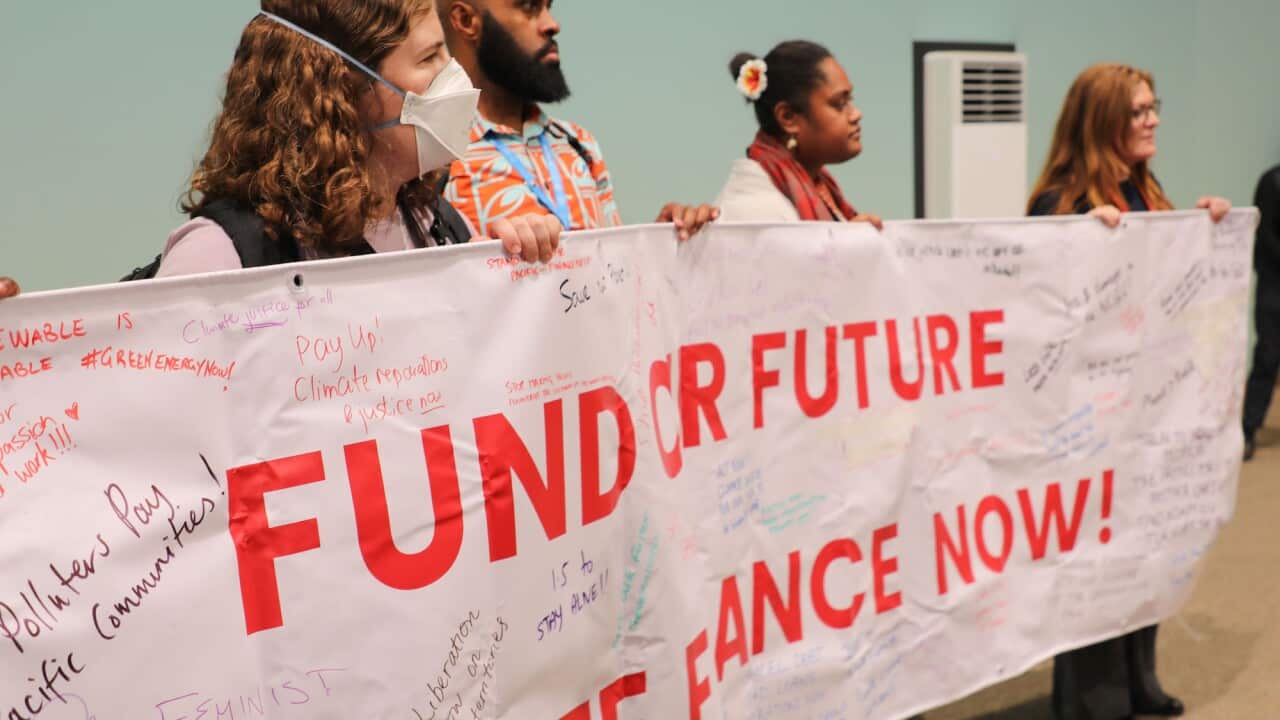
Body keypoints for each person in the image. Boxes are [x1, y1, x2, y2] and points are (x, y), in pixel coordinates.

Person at [1028, 62, 1230, 720]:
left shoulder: (1146, 190)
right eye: (1139, 111)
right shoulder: (1061, 204)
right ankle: (1093, 697)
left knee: (1149, 542)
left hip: (1148, 411)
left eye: (1154, 107)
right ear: (1103, 121)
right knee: (1096, 559)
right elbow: (1040, 314)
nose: (1154, 120)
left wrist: (1205, 232)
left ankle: (1139, 674)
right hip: (1085, 421)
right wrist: (1085, 248)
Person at [159, 0, 560, 278]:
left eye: (446, 54)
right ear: (344, 92)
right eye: (428, 58)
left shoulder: (435, 225)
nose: (456, 75)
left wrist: (510, 270)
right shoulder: (221, 253)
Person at [436, 0, 717, 241]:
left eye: (548, 6)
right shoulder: (435, 158)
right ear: (466, 20)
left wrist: (663, 243)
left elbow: (612, 274)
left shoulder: (578, 144)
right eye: (529, 6)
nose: (552, 24)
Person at [713, 41, 881, 228]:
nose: (856, 114)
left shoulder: (819, 186)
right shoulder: (757, 210)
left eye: (850, 100)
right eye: (840, 104)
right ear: (788, 117)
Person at [1243, 164, 1280, 461]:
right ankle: (1247, 430)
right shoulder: (1272, 181)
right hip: (1274, 286)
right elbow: (1264, 234)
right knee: (1267, 356)